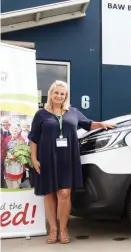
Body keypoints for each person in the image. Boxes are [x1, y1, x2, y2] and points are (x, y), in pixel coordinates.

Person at [28, 80, 115, 244]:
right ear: (51, 94)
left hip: (67, 158)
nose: (59, 96)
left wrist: (102, 124)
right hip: (46, 158)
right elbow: (33, 138)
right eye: (56, 93)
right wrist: (34, 158)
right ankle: (53, 229)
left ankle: (63, 229)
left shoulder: (73, 112)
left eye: (62, 94)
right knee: (49, 193)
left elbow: (88, 124)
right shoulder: (41, 114)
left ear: (66, 96)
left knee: (64, 193)